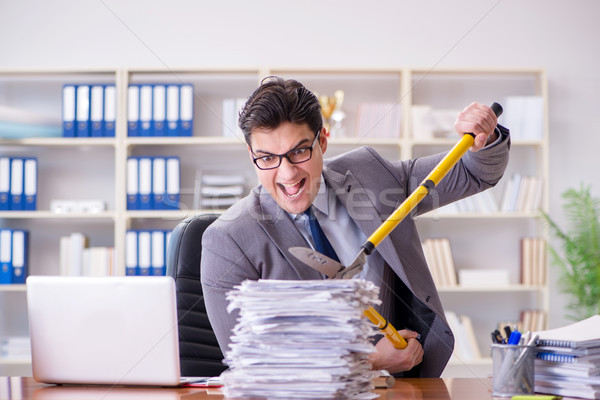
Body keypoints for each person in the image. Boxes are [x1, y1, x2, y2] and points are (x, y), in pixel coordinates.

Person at [200, 76, 510, 377]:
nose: (287, 174)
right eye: (267, 158)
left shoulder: (369, 175)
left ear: (322, 140)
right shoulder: (228, 238)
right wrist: (369, 359)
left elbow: (472, 173)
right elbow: (249, 363)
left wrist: (483, 137)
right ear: (252, 155)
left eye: (298, 151)